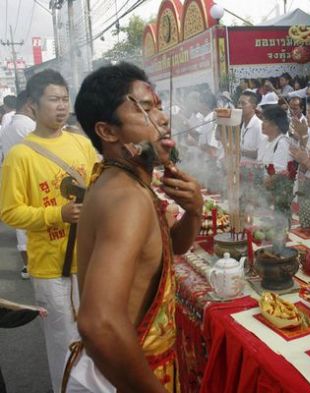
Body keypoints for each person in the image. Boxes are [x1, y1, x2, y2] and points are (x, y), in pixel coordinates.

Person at [63, 63, 203, 391]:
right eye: (146, 108)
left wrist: (194, 212)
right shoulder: (127, 199)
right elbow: (99, 324)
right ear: (108, 132)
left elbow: (169, 250)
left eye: (159, 106)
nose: (164, 119)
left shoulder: (124, 181)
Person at [0, 69, 97, 393]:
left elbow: (99, 185)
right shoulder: (20, 156)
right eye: (53, 99)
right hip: (52, 267)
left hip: (91, 259)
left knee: (96, 336)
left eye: (64, 99)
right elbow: (10, 212)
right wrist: (58, 213)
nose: (61, 106)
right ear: (33, 104)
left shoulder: (81, 145)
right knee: (64, 342)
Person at [0, 90, 36, 280]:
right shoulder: (31, 127)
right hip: (34, 182)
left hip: (16, 182)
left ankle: (28, 266)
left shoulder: (8, 126)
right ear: (30, 104)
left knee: (23, 228)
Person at [258, 104, 291, 171]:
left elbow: (280, 173)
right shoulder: (265, 140)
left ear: (276, 124)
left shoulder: (282, 143)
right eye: (262, 120)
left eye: (265, 121)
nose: (262, 123)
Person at [239, 91, 266, 163]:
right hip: (244, 171)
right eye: (239, 103)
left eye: (243, 103)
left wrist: (240, 151)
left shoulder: (260, 126)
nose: (239, 106)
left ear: (253, 107)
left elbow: (262, 153)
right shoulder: (243, 124)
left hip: (256, 172)